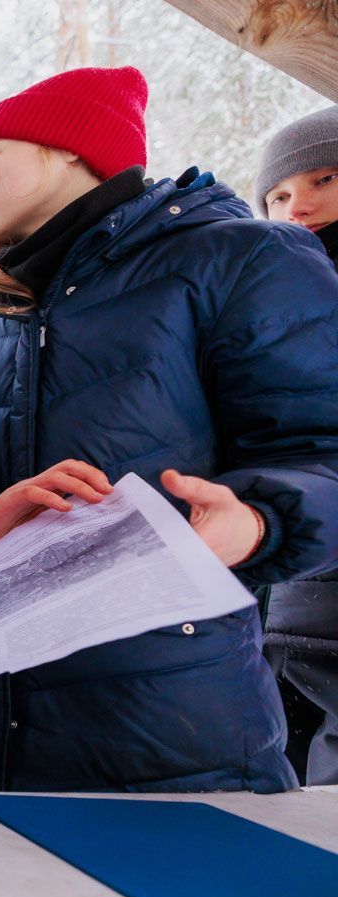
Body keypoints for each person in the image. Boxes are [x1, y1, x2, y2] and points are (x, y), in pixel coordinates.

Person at [0, 66, 338, 793]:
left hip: (158, 740)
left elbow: (322, 452)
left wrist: (252, 520)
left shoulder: (240, 262)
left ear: (71, 150)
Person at [254, 104, 338, 786]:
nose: (298, 204)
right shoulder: (264, 299)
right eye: (278, 194)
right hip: (285, 602)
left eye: (324, 179)